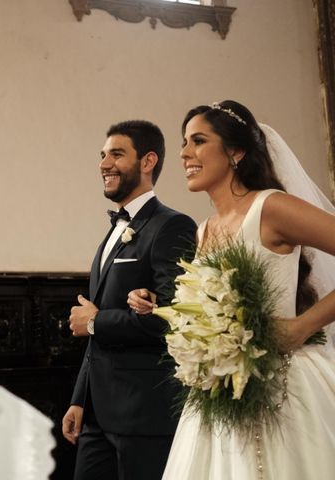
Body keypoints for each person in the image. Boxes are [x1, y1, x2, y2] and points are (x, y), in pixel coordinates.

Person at [128, 100, 335, 479]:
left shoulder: (272, 208)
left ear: (236, 151)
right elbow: (215, 302)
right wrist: (163, 308)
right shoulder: (202, 229)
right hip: (220, 392)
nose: (184, 153)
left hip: (285, 388)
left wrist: (303, 325)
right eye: (183, 142)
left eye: (198, 140)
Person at [62, 120, 197, 480]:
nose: (104, 164)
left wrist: (94, 321)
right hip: (97, 415)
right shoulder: (114, 231)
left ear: (148, 161)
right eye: (103, 155)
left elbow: (172, 318)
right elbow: (98, 325)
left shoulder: (172, 226)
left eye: (117, 154)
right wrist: (80, 399)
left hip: (144, 414)